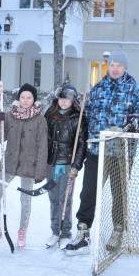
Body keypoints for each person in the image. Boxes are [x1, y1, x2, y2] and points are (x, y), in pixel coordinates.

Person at [68, 48, 139, 255]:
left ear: (125, 68)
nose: (115, 69)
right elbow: (86, 117)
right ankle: (83, 230)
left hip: (121, 153)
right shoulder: (97, 89)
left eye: (119, 66)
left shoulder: (134, 90)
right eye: (112, 65)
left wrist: (133, 122)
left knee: (119, 193)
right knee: (88, 192)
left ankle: (117, 229)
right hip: (97, 150)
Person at [0, 83, 48, 249]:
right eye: (23, 97)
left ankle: (22, 231)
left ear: (34, 100)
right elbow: (0, 139)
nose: (25, 100)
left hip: (29, 164)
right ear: (18, 99)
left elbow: (43, 147)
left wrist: (40, 171)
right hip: (10, 161)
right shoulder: (10, 115)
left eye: (29, 97)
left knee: (25, 200)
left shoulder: (40, 120)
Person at [43, 83, 87, 249]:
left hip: (67, 164)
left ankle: (65, 232)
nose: (63, 102)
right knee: (53, 198)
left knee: (65, 198)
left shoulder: (79, 117)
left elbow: (81, 143)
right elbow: (44, 137)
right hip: (51, 162)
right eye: (61, 98)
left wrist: (76, 165)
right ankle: (55, 231)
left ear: (72, 100)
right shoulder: (50, 114)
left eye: (67, 98)